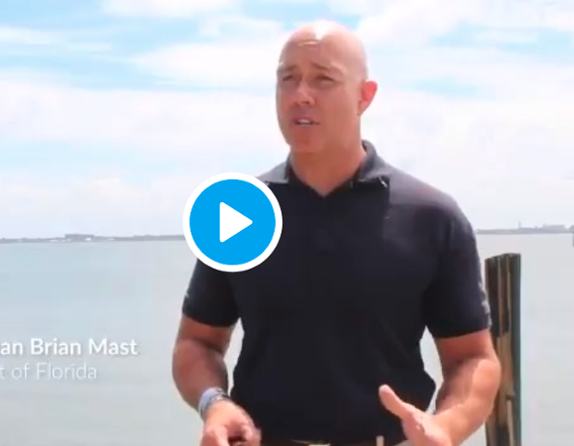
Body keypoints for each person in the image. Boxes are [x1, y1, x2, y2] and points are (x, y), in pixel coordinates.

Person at [171, 20, 501, 446]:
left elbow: (472, 357)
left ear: (365, 96)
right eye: (287, 79)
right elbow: (197, 342)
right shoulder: (240, 210)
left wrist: (448, 426)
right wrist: (215, 403)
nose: (300, 94)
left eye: (323, 79)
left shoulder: (430, 216)